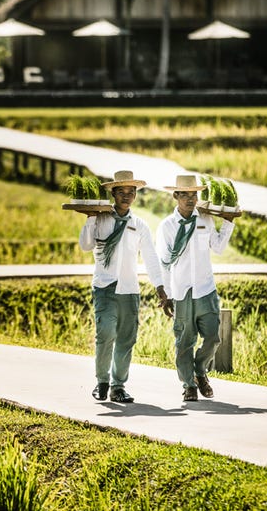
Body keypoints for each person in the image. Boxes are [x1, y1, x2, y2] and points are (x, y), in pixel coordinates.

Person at [78, 169, 166, 404]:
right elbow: (86, 245)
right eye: (121, 192)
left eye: (131, 192)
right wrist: (90, 218)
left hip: (129, 289)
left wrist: (161, 289)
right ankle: (102, 381)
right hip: (105, 287)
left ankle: (118, 386)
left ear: (135, 195)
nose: (126, 196)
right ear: (113, 194)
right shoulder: (101, 219)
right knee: (105, 333)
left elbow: (151, 259)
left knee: (127, 338)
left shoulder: (139, 225)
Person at [155, 174, 235, 402]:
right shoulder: (167, 226)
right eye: (185, 195)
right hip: (181, 291)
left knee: (212, 338)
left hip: (205, 288)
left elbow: (218, 248)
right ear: (176, 196)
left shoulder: (206, 220)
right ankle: (188, 385)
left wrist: (228, 222)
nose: (191, 199)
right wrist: (167, 295)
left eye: (194, 194)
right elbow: (164, 263)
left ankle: (200, 371)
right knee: (184, 342)